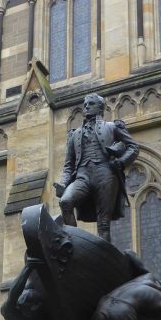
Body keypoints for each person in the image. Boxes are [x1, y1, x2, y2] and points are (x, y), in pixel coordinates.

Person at [55, 93, 138, 241]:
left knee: (104, 223)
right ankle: (75, 242)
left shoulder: (112, 127)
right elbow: (69, 165)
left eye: (91, 104)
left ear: (100, 108)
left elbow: (133, 147)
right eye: (85, 104)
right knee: (66, 202)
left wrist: (121, 162)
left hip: (105, 174)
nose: (86, 106)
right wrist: (63, 183)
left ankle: (104, 257)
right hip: (82, 176)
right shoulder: (75, 134)